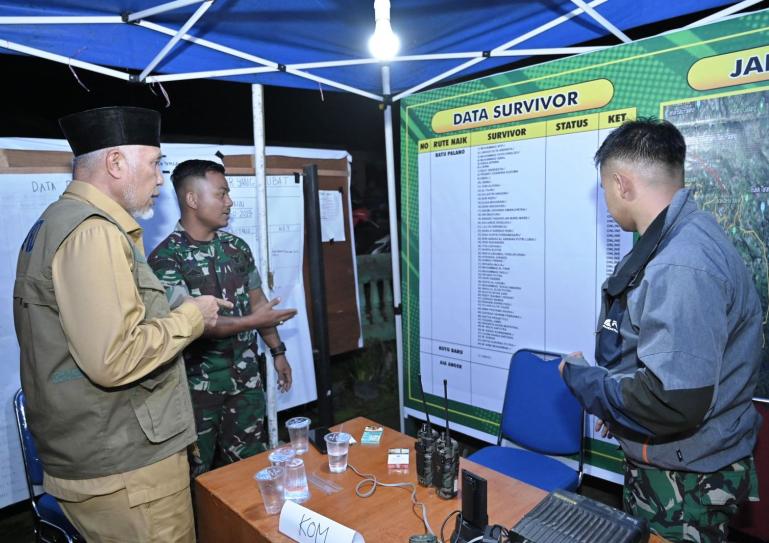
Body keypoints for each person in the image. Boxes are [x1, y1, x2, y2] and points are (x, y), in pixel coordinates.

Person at [13, 106, 231, 542]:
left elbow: (112, 309)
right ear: (115, 163)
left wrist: (173, 301)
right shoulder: (93, 232)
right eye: (154, 164)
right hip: (128, 472)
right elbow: (115, 357)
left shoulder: (58, 222)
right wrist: (193, 317)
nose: (158, 179)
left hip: (100, 461)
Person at [560, 119, 761, 543]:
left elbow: (672, 400)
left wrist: (586, 381)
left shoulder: (680, 262)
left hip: (684, 481)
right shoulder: (686, 240)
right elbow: (663, 359)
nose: (607, 200)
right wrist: (623, 406)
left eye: (604, 189)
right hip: (679, 463)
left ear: (621, 183)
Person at [148, 159, 297, 477]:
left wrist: (277, 352)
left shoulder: (236, 248)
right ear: (192, 199)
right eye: (222, 194)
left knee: (250, 471)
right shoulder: (166, 258)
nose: (230, 202)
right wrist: (256, 322)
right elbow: (201, 325)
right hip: (195, 393)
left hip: (246, 386)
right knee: (198, 477)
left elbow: (259, 305)